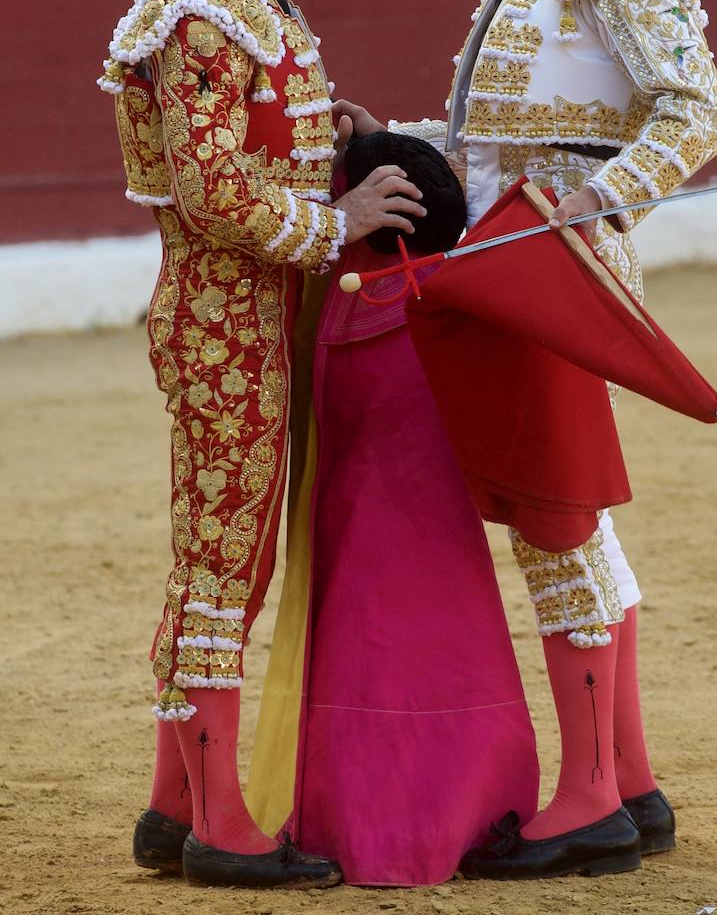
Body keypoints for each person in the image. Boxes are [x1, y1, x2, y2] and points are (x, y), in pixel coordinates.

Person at [334, 0, 717, 880]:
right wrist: (393, 135)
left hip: (549, 280)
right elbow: (492, 146)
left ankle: (593, 797)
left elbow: (695, 110)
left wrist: (599, 198)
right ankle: (632, 784)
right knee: (570, 524)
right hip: (509, 266)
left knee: (557, 524)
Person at [99, 0, 426, 888]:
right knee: (222, 562)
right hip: (224, 315)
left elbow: (244, 146)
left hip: (248, 312)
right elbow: (207, 191)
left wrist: (319, 135)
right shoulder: (205, 4)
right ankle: (221, 824)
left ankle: (171, 800)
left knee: (224, 556)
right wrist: (338, 223)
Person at [244, 130, 541, 885]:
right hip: (417, 361)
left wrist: (367, 164)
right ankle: (469, 805)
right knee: (436, 572)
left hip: (359, 370)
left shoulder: (348, 293)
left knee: (362, 579)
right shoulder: (453, 297)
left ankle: (360, 822)